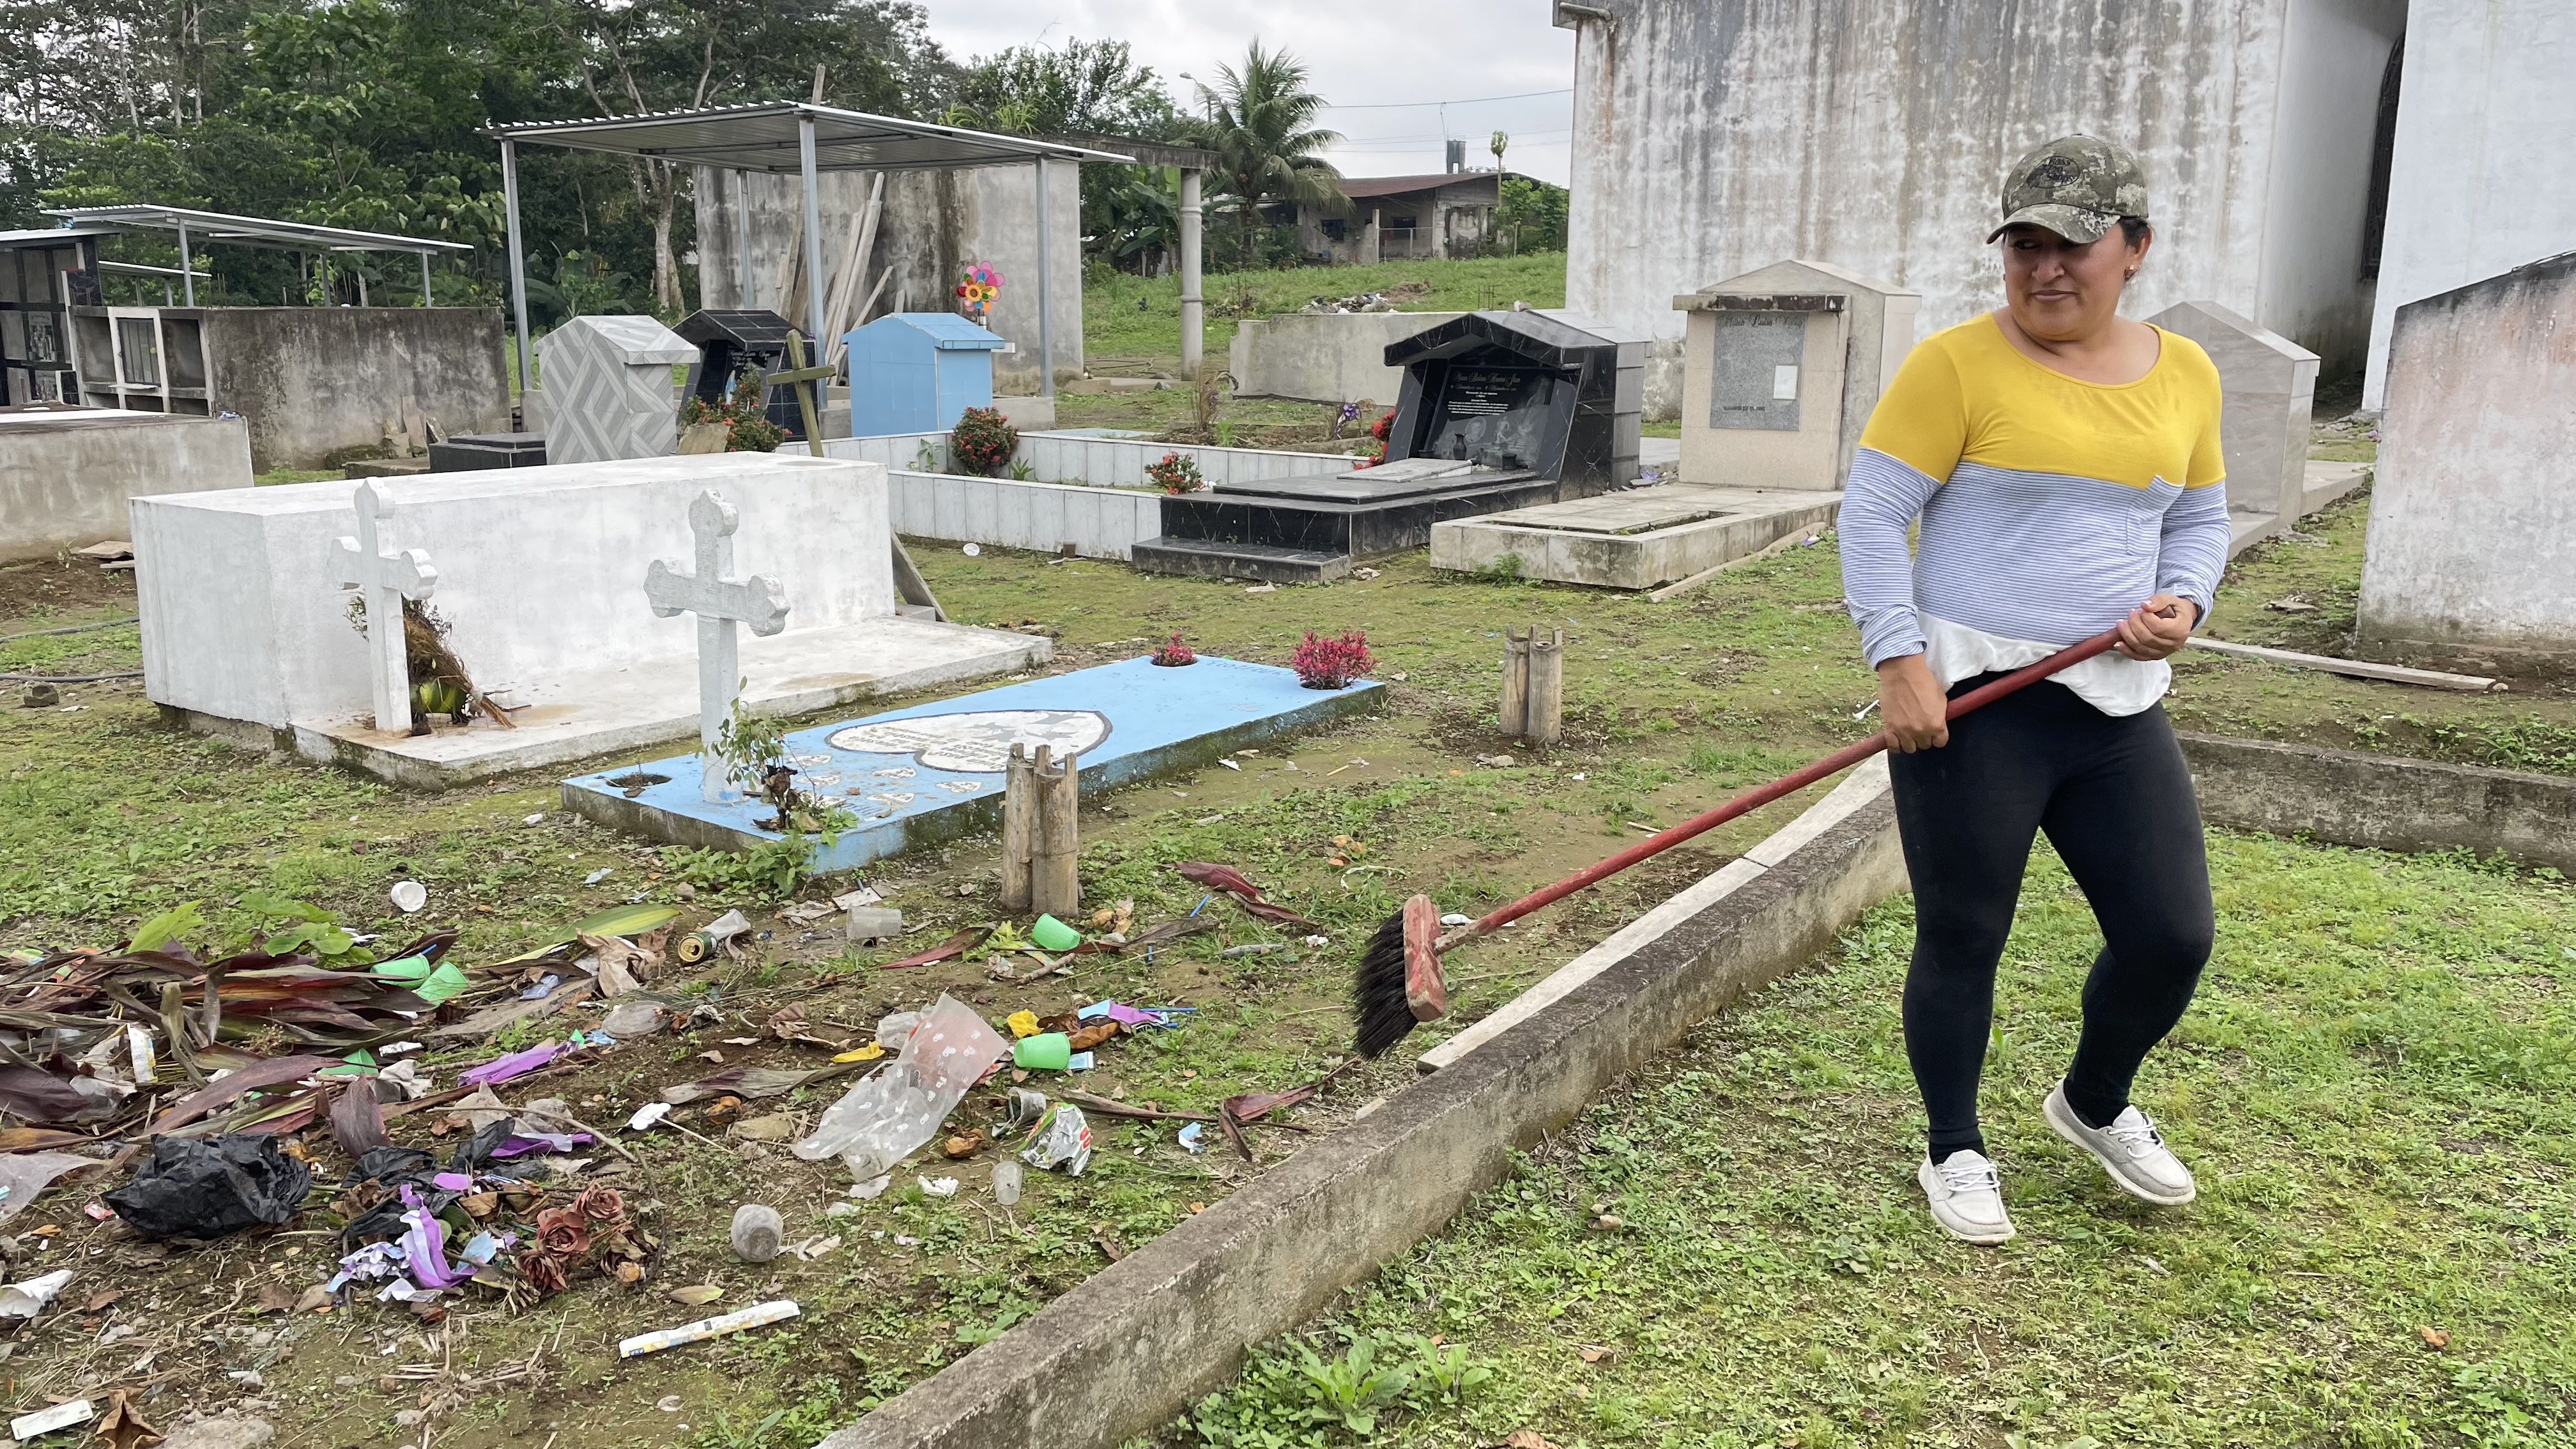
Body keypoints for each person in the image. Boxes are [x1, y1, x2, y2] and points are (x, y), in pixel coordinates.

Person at [1837, 135, 2233, 1245]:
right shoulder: (1956, 365)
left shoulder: (2186, 373)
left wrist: (2184, 603)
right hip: (1974, 706)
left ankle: (2093, 1102)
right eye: (2024, 245)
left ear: (2134, 247)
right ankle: (1954, 1147)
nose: (2045, 268)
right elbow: (1872, 514)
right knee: (1965, 932)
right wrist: (1898, 661)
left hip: (2113, 704)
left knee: (2171, 935)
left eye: (2073, 245)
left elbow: (2198, 518)